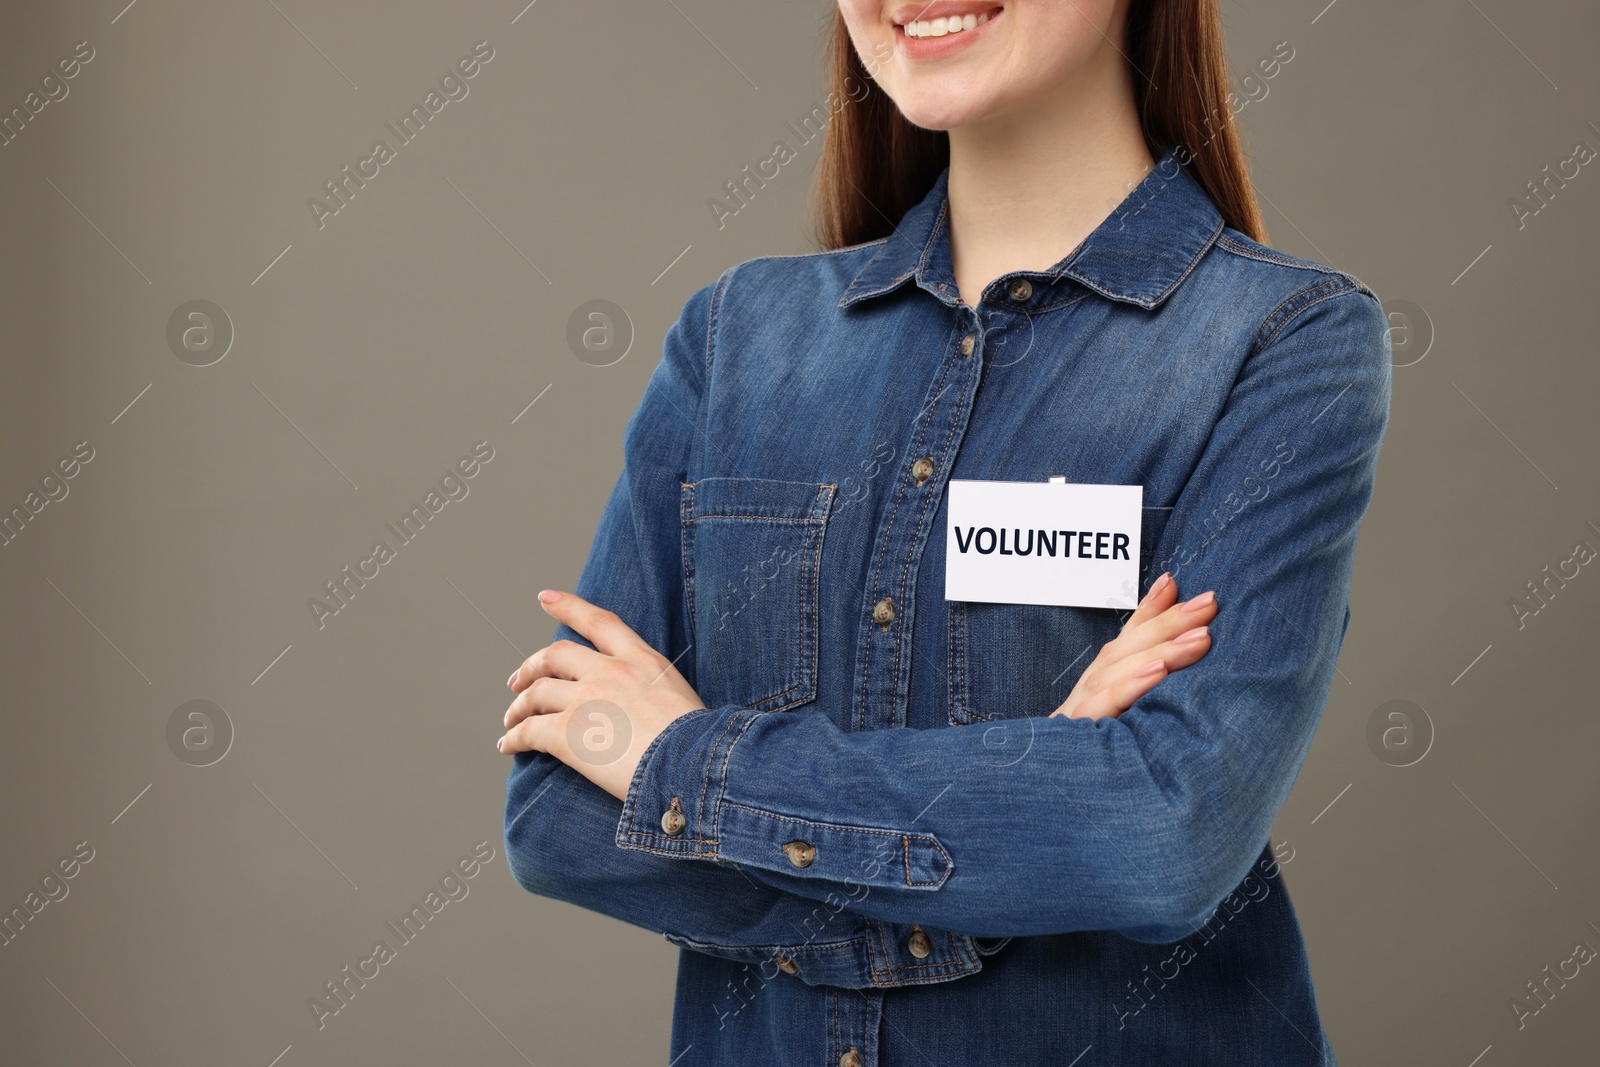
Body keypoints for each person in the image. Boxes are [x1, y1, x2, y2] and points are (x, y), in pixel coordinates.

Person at [498, 0, 1390, 1062]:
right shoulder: (733, 338)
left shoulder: (1283, 344)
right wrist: (1044, 786)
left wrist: (683, 763)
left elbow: (1160, 836)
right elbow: (559, 817)